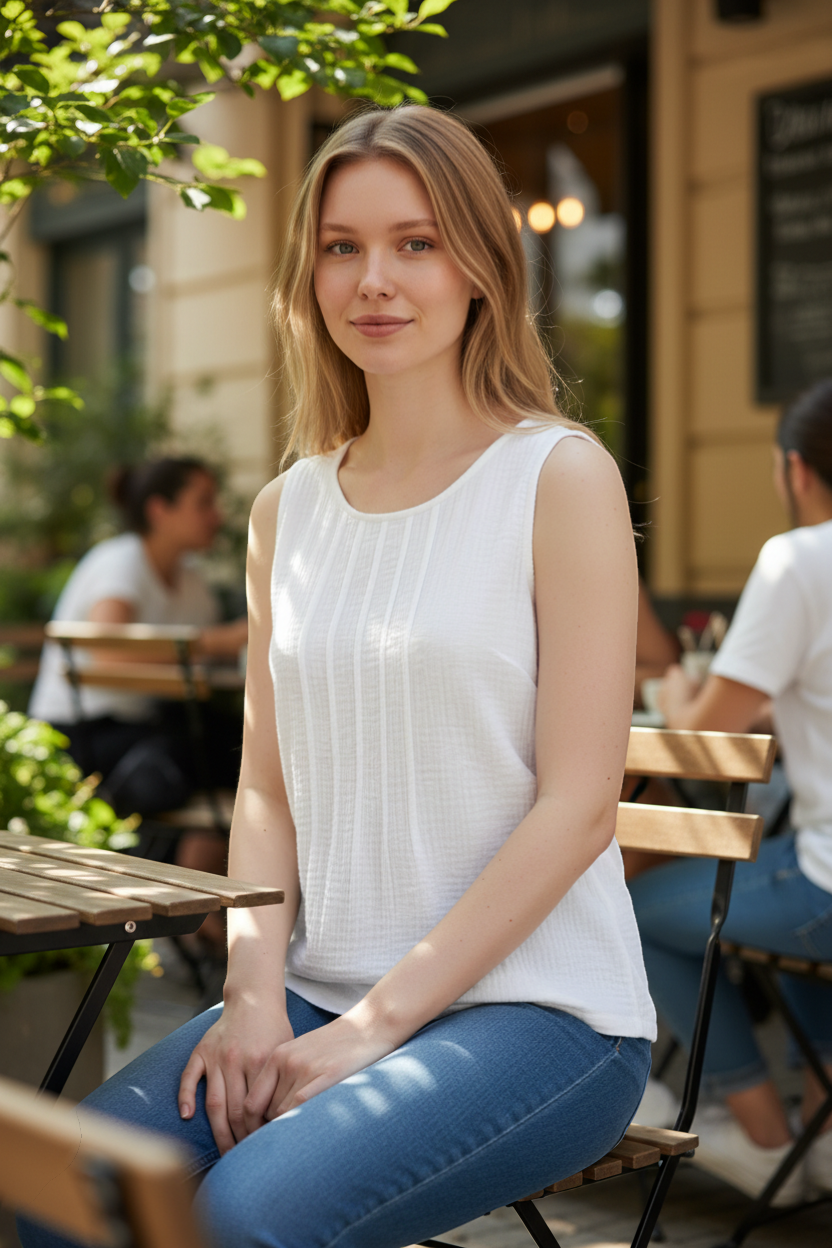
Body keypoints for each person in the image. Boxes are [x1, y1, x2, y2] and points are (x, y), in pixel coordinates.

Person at [18, 105, 655, 1248]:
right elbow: (265, 787)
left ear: (480, 267)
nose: (375, 279)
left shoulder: (557, 479)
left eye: (416, 242)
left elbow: (578, 808)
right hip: (314, 984)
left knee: (247, 1218)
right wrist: (254, 994)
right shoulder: (288, 508)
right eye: (341, 245)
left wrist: (375, 1025)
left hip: (544, 1015)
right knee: (65, 1193)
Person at [630, 379, 832, 1203]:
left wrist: (679, 697)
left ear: (794, 470)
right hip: (812, 873)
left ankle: (761, 1136)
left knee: (636, 906)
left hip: (826, 886)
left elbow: (711, 746)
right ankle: (821, 1140)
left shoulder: (801, 559)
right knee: (773, 891)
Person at [29, 457, 247, 827]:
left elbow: (209, 659)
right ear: (160, 510)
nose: (217, 516)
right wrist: (213, 642)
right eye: (204, 502)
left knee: (238, 746)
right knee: (215, 753)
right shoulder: (121, 563)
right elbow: (108, 655)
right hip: (77, 734)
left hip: (141, 726)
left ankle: (205, 866)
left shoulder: (191, 580)